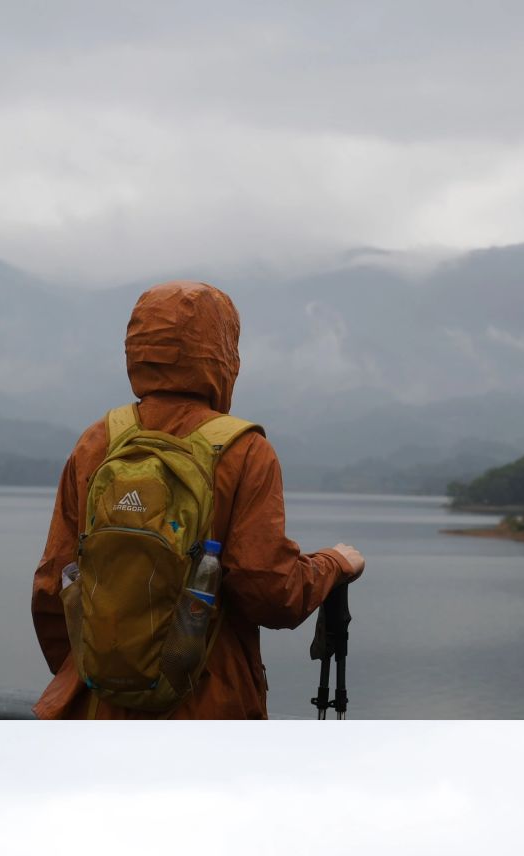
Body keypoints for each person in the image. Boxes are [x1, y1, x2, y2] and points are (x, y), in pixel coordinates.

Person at [31, 280, 365, 720]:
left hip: (99, 710)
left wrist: (107, 674)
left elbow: (53, 587)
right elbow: (269, 590)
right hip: (208, 710)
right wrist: (334, 565)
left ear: (137, 348)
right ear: (223, 353)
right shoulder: (242, 450)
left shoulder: (97, 442)